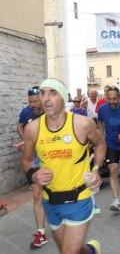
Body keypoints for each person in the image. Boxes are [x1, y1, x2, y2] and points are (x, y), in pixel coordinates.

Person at [21, 78, 106, 254]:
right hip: (50, 200)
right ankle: (90, 250)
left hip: (79, 198)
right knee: (69, 249)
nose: (46, 98)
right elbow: (27, 160)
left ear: (64, 98)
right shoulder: (33, 129)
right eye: (43, 93)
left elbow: (100, 144)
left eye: (52, 93)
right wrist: (34, 175)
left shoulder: (82, 124)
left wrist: (96, 170)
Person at [17, 86, 48, 249]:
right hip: (36, 158)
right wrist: (26, 142)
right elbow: (19, 127)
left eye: (35, 101)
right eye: (30, 102)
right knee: (37, 194)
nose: (32, 105)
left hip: (54, 158)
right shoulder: (26, 112)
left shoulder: (52, 113)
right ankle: (41, 232)